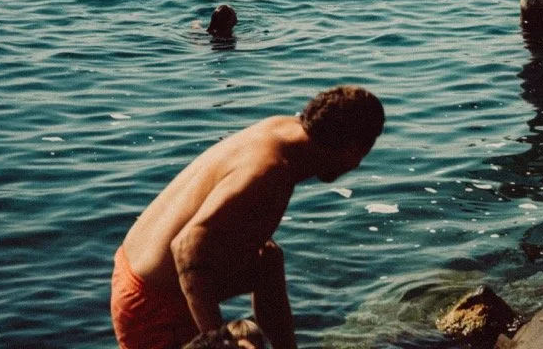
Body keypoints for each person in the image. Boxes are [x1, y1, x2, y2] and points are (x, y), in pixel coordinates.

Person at [111, 86, 385, 349]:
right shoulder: (269, 170)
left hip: (144, 275)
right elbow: (186, 245)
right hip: (153, 306)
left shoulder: (281, 130)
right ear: (352, 148)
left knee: (267, 260)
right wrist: (217, 341)